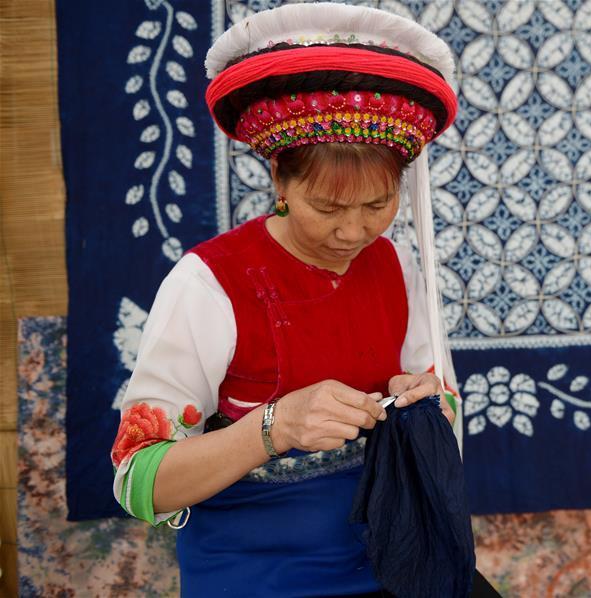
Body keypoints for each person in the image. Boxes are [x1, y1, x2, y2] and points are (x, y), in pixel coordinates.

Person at [109, 3, 465, 595]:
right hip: (255, 575)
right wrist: (272, 428)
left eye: (377, 206)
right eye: (326, 208)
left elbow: (446, 416)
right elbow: (138, 484)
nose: (353, 233)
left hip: (396, 559)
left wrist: (426, 405)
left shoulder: (396, 264)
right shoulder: (209, 283)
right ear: (280, 179)